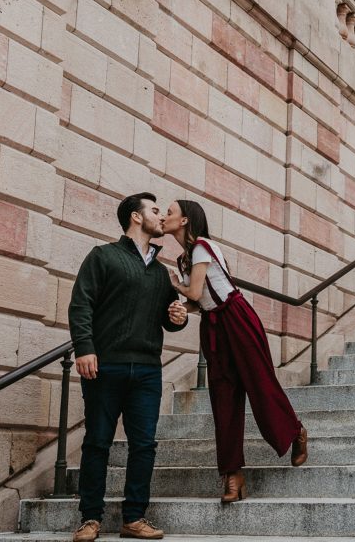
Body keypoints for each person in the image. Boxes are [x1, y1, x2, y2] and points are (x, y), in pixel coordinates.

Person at [163, 198, 308, 504]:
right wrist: (183, 308)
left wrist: (176, 286)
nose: (165, 217)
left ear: (186, 220)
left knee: (260, 384)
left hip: (237, 317)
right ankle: (233, 474)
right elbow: (198, 300)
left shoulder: (202, 246)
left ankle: (295, 432)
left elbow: (194, 290)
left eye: (170, 212)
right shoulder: (184, 259)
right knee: (223, 398)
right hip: (214, 327)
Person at [69, 192, 188, 542]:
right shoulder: (103, 256)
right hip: (105, 367)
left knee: (143, 445)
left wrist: (177, 317)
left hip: (148, 369)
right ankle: (90, 518)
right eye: (154, 210)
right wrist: (85, 348)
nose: (160, 215)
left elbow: (170, 318)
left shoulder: (162, 273)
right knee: (97, 442)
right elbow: (81, 304)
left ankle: (134, 517)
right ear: (136, 217)